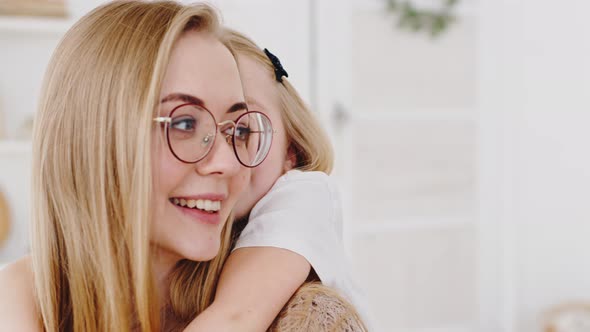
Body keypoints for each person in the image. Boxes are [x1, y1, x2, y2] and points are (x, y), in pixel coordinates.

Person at [0, 1, 274, 330]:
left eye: (239, 130)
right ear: (95, 138)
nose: (228, 163)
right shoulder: (21, 300)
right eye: (185, 124)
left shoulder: (272, 292)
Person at [184, 28, 371, 331]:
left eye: (244, 130)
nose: (220, 157)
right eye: (189, 123)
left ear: (291, 151)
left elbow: (236, 316)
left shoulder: (303, 194)